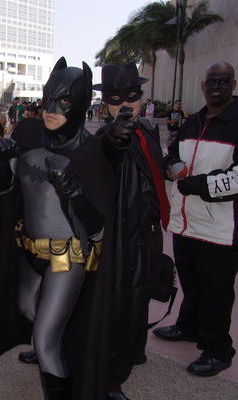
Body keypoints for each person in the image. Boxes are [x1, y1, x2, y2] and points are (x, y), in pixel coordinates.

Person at [0, 57, 116, 400]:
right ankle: (60, 351)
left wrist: (73, 192)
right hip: (29, 250)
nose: (51, 108)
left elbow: (99, 229)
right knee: (30, 314)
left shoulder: (90, 151)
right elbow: (5, 192)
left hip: (68, 257)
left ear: (81, 104)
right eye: (48, 97)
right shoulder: (28, 133)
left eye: (63, 101)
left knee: (45, 341)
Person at [153, 61, 238, 377]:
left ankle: (218, 350)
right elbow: (172, 153)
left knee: (217, 293)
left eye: (223, 81)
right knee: (192, 284)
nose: (216, 86)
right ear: (203, 86)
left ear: (233, 84)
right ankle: (188, 326)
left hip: (220, 229)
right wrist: (170, 165)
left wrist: (196, 185)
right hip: (185, 223)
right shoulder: (192, 121)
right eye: (211, 81)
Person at [94, 61, 169, 400]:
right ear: (105, 103)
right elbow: (109, 153)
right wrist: (115, 138)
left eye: (132, 96)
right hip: (122, 236)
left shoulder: (148, 131)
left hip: (149, 229)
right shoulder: (105, 137)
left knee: (142, 295)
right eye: (115, 98)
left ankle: (134, 351)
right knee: (121, 305)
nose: (125, 104)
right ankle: (111, 381)